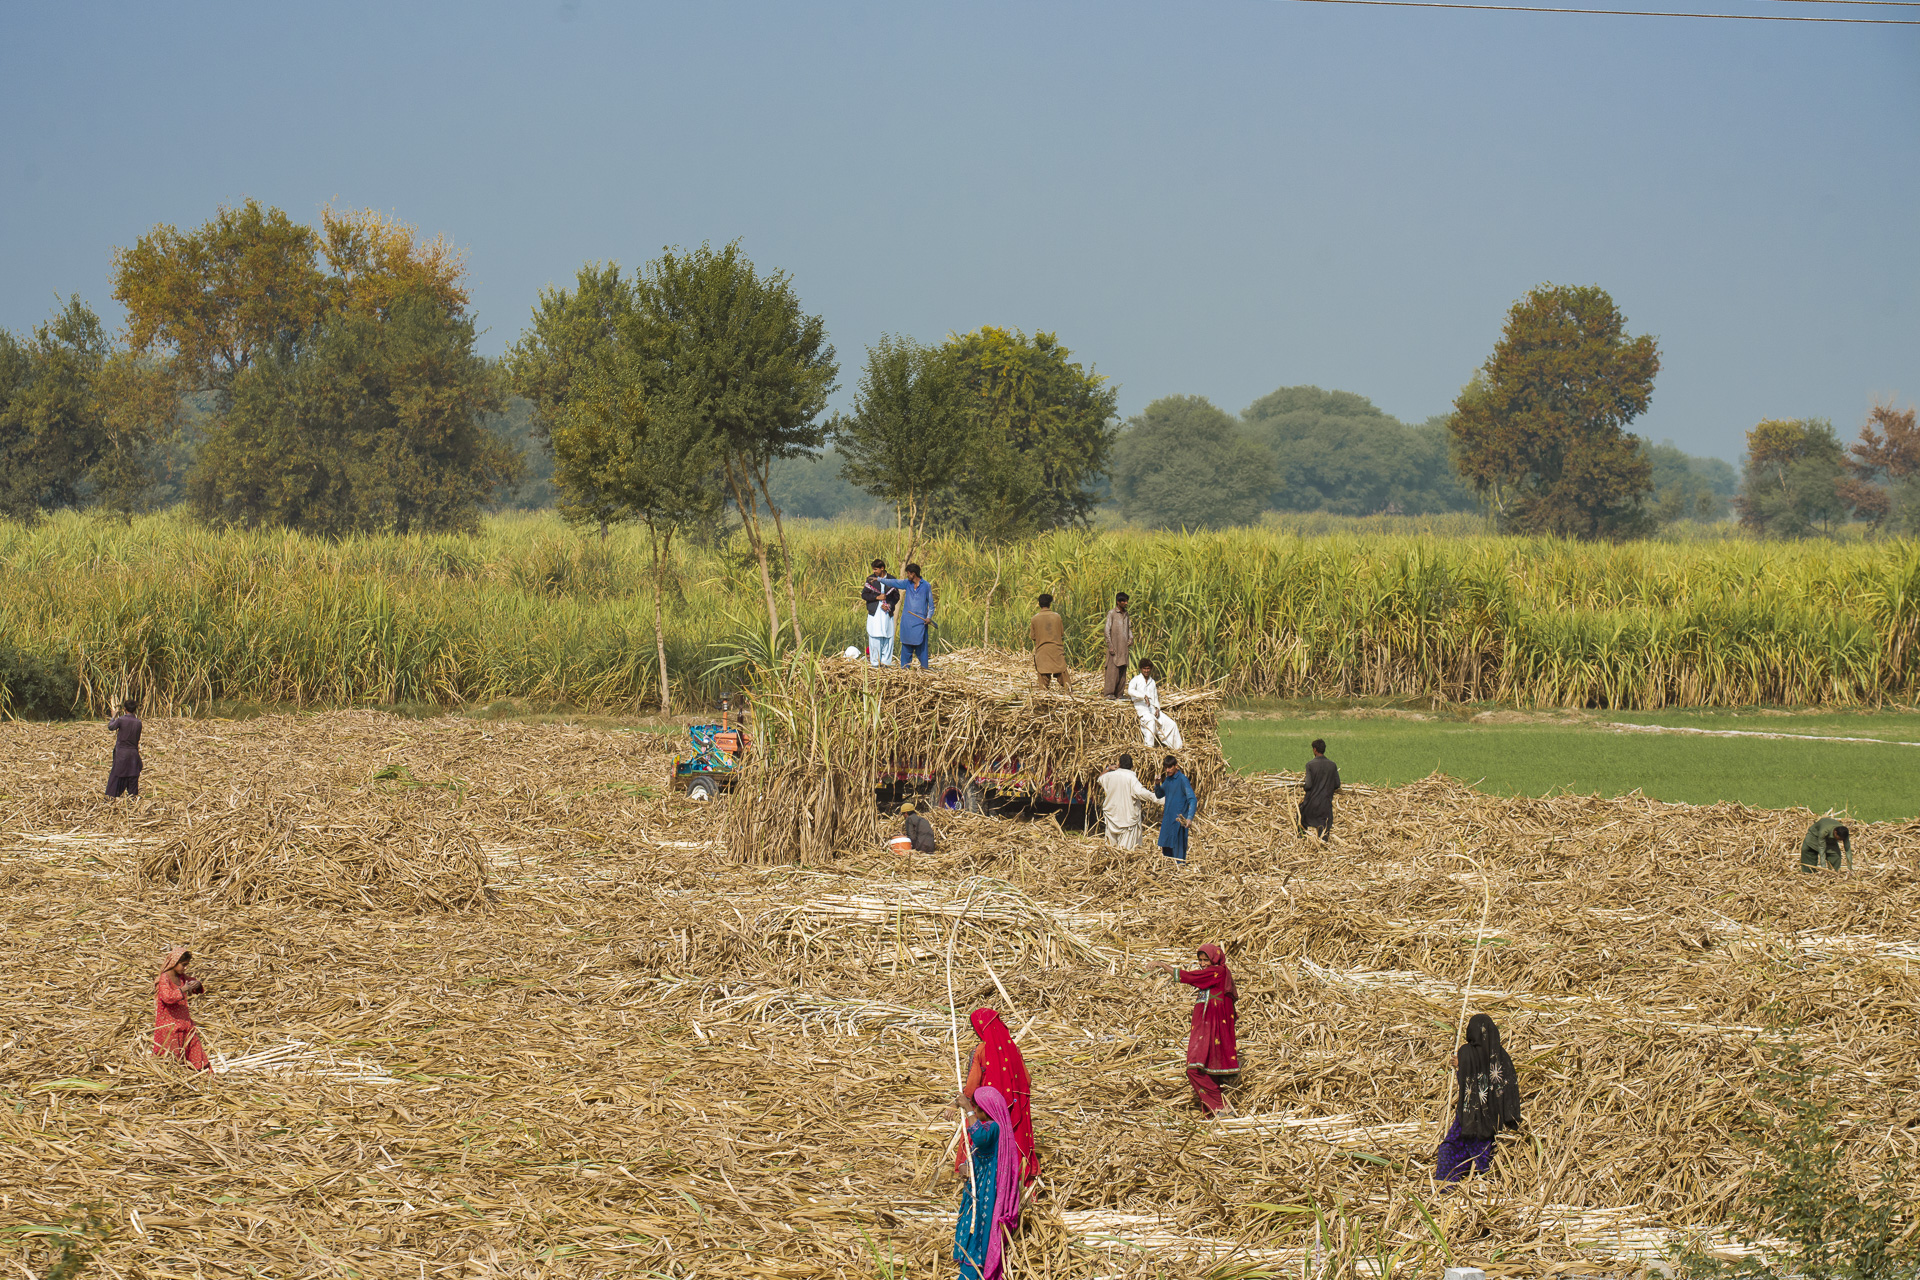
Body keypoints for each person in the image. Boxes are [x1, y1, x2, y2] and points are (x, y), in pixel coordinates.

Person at [1151, 944, 1238, 1115]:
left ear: (1215, 959)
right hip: (1204, 1029)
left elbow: (1189, 976)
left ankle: (1221, 1107)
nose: (1203, 963)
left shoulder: (1218, 972)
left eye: (1207, 959)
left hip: (1211, 1030)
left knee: (1194, 1069)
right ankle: (1215, 1112)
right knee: (1204, 1069)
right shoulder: (1211, 977)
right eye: (1200, 960)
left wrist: (1162, 965)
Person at [955, 1008, 1039, 1185]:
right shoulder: (1013, 1049)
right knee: (1014, 1149)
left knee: (982, 1144)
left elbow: (972, 1087)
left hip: (989, 1113)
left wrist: (962, 1103)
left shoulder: (981, 1050)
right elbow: (1027, 1081)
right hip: (1014, 1113)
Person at [1435, 1013, 1521, 1182]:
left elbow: (1465, 1083)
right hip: (1493, 1122)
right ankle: (1485, 1180)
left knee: (1449, 1149)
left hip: (1468, 1119)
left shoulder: (1466, 1053)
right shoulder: (1501, 1057)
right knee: (1481, 1152)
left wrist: (1460, 1065)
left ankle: (1446, 1187)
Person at [951, 1084, 1022, 1280]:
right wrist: (966, 1164)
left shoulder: (994, 1127)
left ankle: (973, 1271)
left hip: (987, 1190)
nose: (976, 1111)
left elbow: (981, 1139)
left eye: (978, 1108)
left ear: (985, 1110)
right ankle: (969, 1265)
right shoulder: (989, 1126)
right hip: (978, 1186)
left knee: (981, 1227)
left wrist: (968, 1109)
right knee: (973, 1224)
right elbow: (979, 1152)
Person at [153, 946, 209, 1071]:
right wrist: (183, 989)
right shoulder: (164, 978)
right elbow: (167, 997)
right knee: (173, 1058)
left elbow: (194, 985)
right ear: (174, 962)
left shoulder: (182, 977)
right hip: (169, 1027)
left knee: (195, 1050)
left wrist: (197, 984)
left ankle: (202, 1075)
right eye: (183, 965)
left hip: (185, 1023)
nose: (185, 968)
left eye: (187, 965)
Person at [875, 563, 935, 669]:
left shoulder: (926, 586)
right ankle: (905, 670)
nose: (907, 575)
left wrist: (929, 617)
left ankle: (925, 670)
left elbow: (931, 606)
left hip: (920, 623)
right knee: (906, 646)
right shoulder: (907, 584)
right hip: (907, 622)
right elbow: (894, 582)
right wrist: (880, 579)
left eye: (908, 573)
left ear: (913, 574)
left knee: (921, 647)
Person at [1097, 752, 1158, 850]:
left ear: (1119, 764)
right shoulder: (1131, 779)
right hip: (1127, 822)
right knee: (1125, 854)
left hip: (1111, 819)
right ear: (1132, 766)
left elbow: (1099, 779)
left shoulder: (1109, 776)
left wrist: (1108, 768)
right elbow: (1143, 793)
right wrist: (1161, 799)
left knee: (1110, 852)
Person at [1127, 659, 1183, 749]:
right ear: (1141, 669)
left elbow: (1155, 696)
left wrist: (1157, 708)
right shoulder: (1136, 680)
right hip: (1142, 708)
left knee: (1171, 724)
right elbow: (1130, 691)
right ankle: (1149, 748)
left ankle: (1177, 748)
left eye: (1148, 668)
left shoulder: (1152, 681)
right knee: (1151, 722)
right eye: (1144, 668)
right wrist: (1143, 696)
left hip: (1152, 708)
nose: (1146, 671)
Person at [1153, 754, 1196, 864]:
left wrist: (1189, 818)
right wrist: (1157, 785)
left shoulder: (1182, 780)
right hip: (1167, 822)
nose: (1167, 770)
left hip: (1178, 824)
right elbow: (1159, 795)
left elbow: (1192, 799)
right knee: (1167, 856)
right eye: (1165, 768)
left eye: (1169, 767)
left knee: (1178, 857)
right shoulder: (1168, 780)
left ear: (1176, 766)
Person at [1299, 738, 1340, 841]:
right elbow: (1337, 784)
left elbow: (1308, 785)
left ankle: (1301, 840)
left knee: (1300, 817)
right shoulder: (1332, 765)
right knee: (1324, 831)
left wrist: (1302, 785)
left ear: (1315, 750)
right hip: (1326, 805)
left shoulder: (1310, 765)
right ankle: (1323, 848)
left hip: (1312, 804)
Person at [861, 559, 899, 667]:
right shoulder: (871, 579)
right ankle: (875, 663)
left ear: (882, 568)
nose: (874, 571)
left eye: (876, 569)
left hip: (887, 614)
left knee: (887, 637)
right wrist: (876, 597)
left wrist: (889, 605)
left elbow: (896, 597)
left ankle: (886, 663)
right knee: (874, 637)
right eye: (873, 569)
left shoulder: (892, 580)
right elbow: (864, 595)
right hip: (875, 613)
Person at [1029, 593, 1070, 691]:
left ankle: (1043, 699)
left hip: (1042, 653)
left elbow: (1033, 636)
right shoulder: (1057, 617)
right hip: (1056, 651)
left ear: (1039, 604)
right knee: (1063, 675)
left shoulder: (1034, 619)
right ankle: (1069, 693)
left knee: (1043, 682)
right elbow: (1061, 633)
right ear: (1050, 604)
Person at [106, 699, 143, 798]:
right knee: (132, 777)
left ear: (125, 709)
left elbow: (111, 727)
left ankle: (112, 798)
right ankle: (132, 800)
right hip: (133, 754)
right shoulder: (138, 722)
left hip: (122, 754)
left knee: (116, 776)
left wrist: (113, 716)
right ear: (135, 710)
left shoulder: (121, 720)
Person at [1102, 592, 1132, 699]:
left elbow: (1129, 629)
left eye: (1126, 601)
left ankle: (1119, 694)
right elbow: (1106, 630)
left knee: (1122, 670)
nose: (1126, 603)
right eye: (1123, 601)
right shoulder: (1112, 614)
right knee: (1112, 670)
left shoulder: (1126, 614)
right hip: (1115, 647)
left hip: (1124, 648)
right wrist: (1110, 645)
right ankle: (1109, 693)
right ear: (1118, 602)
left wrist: (1131, 638)